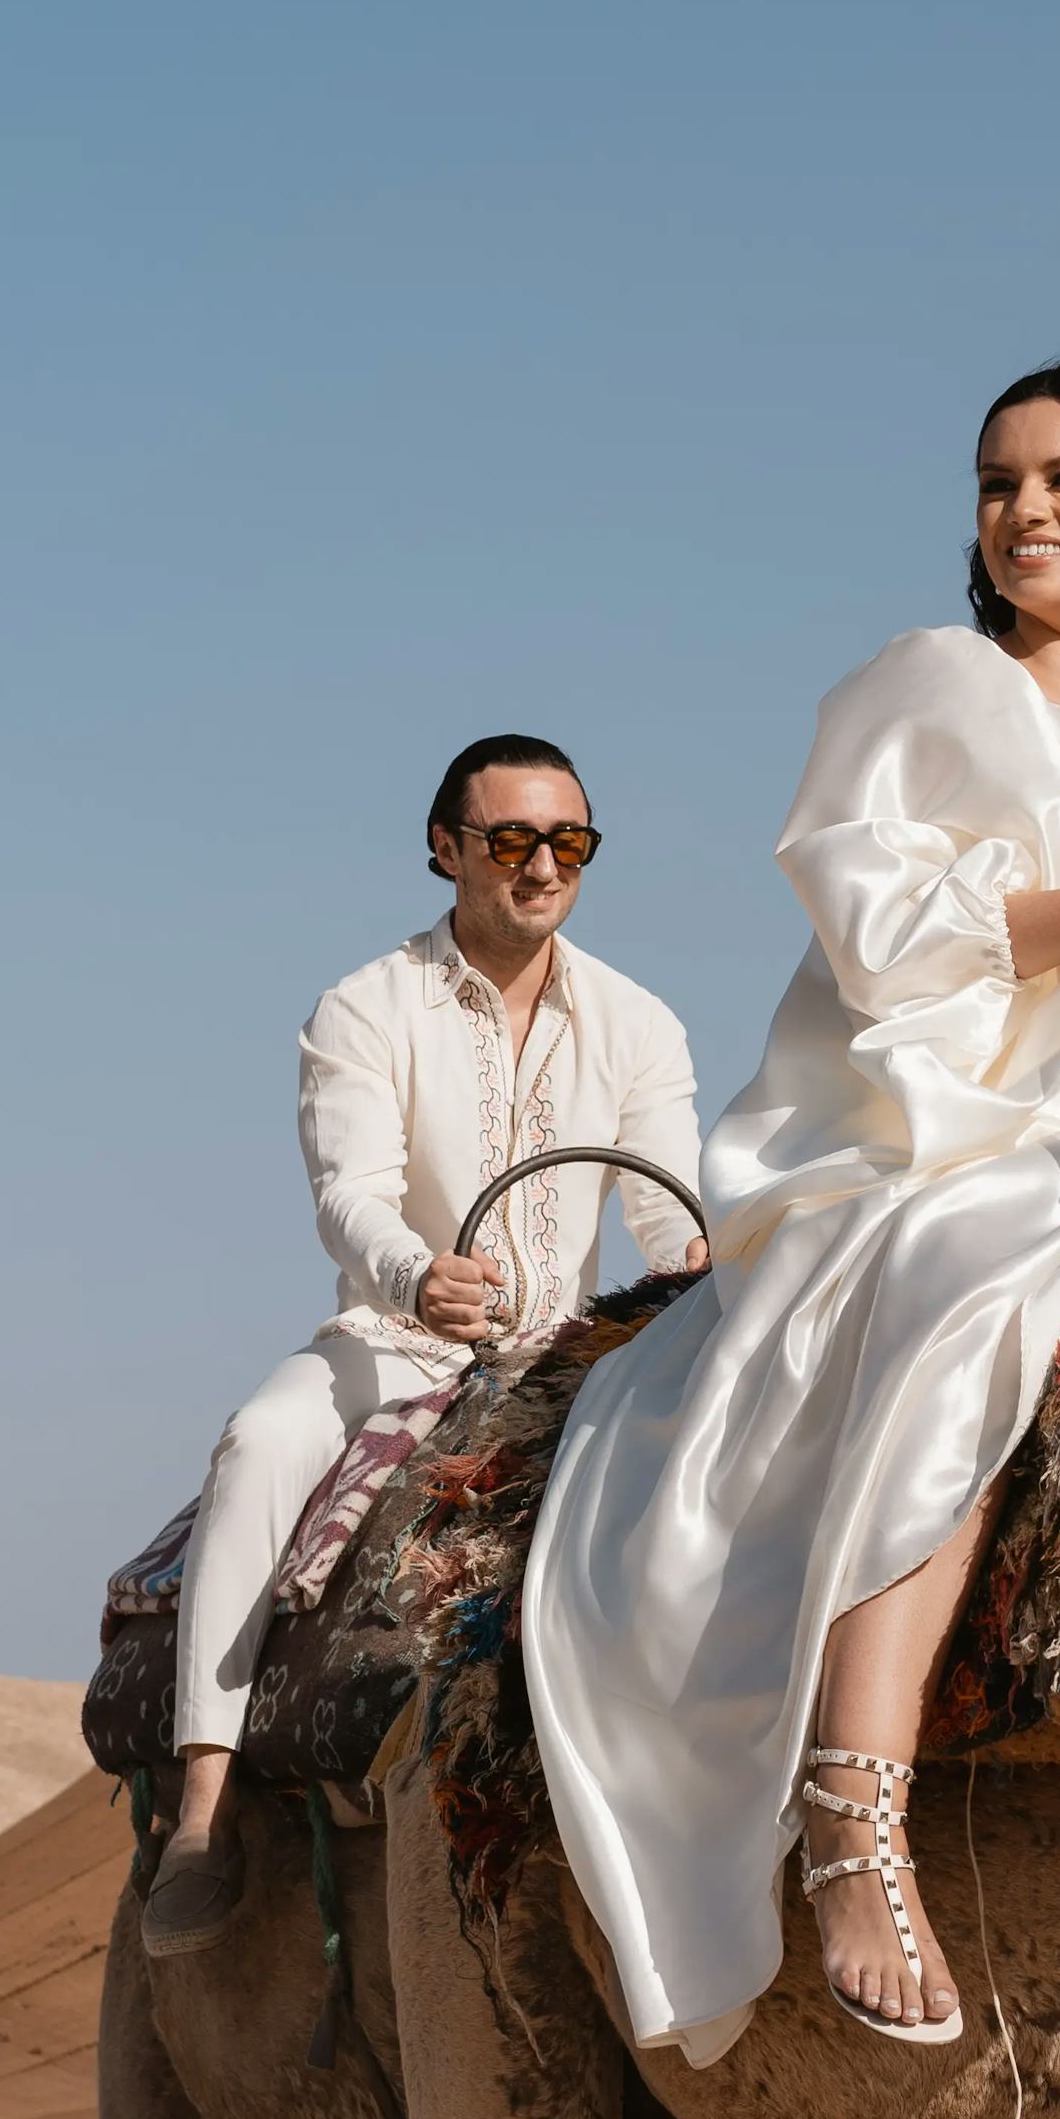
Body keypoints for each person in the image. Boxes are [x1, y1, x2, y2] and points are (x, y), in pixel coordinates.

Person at [524, 361, 1060, 2060]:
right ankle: (857, 1798)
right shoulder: (935, 689)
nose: (1027, 513)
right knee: (972, 1273)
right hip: (958, 1122)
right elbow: (890, 947)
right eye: (999, 484)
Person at [141, 733, 707, 1959]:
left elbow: (668, 1204)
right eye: (511, 840)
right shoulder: (364, 1005)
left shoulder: (640, 1021)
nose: (542, 866)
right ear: (446, 849)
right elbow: (351, 1190)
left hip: (573, 1357)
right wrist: (417, 1274)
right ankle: (202, 1810)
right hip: (398, 1338)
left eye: (570, 842)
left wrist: (711, 1260)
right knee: (260, 1439)